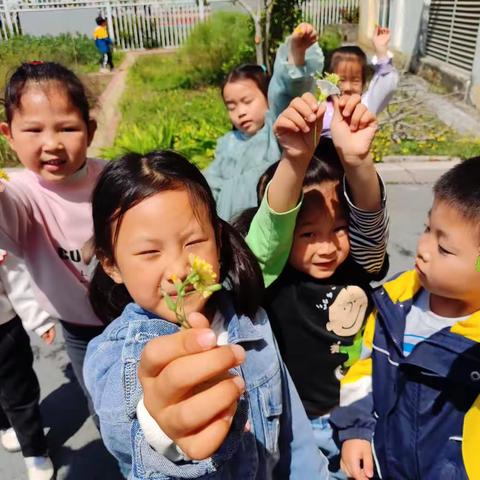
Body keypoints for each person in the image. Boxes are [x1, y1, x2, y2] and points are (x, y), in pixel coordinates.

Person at [83, 150, 329, 479]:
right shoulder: (112, 355)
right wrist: (162, 426)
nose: (180, 270)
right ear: (111, 264)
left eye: (195, 241)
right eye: (149, 252)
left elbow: (294, 435)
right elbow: (123, 421)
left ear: (218, 239)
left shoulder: (251, 320)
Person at [241, 93, 388, 478]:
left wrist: (358, 163)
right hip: (297, 425)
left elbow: (370, 225)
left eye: (339, 229)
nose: (327, 247)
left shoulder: (358, 263)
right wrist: (294, 161)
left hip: (361, 417)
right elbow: (268, 236)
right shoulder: (274, 276)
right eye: (307, 233)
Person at [330, 158, 480, 480]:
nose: (424, 248)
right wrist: (355, 431)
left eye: (444, 247)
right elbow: (362, 368)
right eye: (428, 228)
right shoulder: (395, 303)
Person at [0, 62, 106, 423]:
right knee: (100, 400)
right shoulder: (18, 194)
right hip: (77, 328)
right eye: (33, 130)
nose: (52, 143)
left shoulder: (111, 179)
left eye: (67, 128)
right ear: (8, 135)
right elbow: (8, 220)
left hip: (133, 311)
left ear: (89, 131)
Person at [204, 23, 324, 220]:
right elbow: (210, 183)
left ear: (267, 97)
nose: (240, 112)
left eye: (247, 101)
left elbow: (286, 93)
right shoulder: (226, 143)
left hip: (267, 227)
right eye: (231, 106)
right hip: (231, 231)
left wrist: (296, 55)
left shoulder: (275, 132)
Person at [0, 250, 56, 480]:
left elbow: (17, 282)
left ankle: (35, 452)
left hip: (4, 333)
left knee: (19, 395)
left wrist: (39, 321)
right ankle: (8, 426)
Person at [322, 26, 398, 137]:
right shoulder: (320, 110)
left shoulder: (365, 107)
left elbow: (386, 85)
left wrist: (381, 49)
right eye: (341, 80)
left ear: (363, 82)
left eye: (355, 80)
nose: (348, 87)